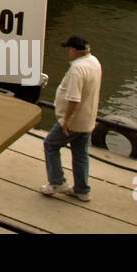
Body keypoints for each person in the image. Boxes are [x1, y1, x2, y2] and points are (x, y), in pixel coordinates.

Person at [41, 34, 102, 202]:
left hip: (73, 122)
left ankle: (57, 182)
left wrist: (65, 122)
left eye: (68, 49)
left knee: (50, 145)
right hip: (87, 119)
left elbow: (74, 99)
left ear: (74, 50)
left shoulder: (77, 69)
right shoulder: (94, 62)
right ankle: (82, 190)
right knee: (80, 153)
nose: (67, 52)